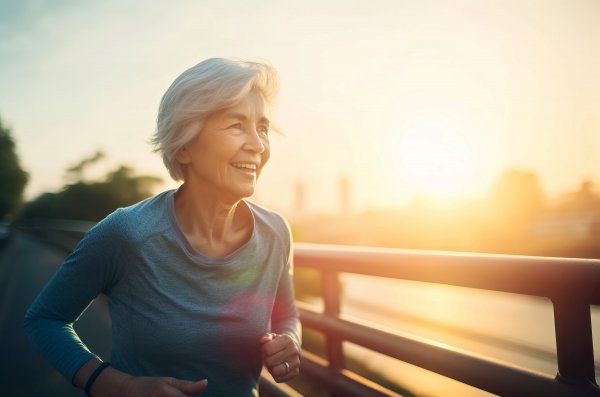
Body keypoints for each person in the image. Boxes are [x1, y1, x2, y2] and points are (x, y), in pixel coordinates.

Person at [24, 57, 301, 397]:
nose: (258, 145)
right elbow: (44, 319)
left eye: (262, 127)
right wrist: (114, 384)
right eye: (236, 125)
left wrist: (290, 341)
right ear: (184, 146)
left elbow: (287, 315)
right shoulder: (127, 234)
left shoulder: (276, 233)